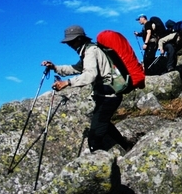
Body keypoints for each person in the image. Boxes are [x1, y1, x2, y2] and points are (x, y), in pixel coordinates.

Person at [43, 25, 132, 153]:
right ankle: (126, 146)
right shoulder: (88, 50)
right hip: (107, 95)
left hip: (108, 97)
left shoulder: (91, 51)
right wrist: (55, 68)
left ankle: (100, 166)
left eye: (71, 41)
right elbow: (76, 68)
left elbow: (90, 75)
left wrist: (67, 83)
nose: (69, 44)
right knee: (104, 124)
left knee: (94, 138)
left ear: (79, 39)